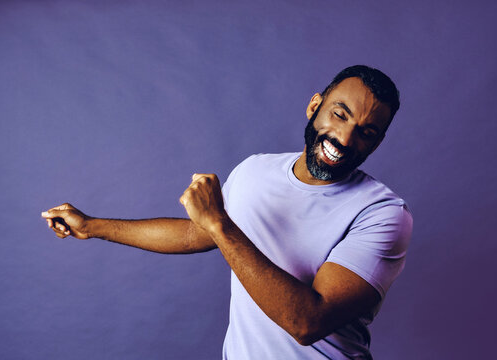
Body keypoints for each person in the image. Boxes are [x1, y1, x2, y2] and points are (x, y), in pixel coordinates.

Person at [42, 65, 413, 359]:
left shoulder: (382, 214)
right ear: (314, 106)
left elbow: (306, 322)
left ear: (377, 142)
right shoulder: (255, 170)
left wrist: (219, 223)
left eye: (366, 132)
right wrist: (91, 226)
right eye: (340, 114)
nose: (345, 139)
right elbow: (194, 234)